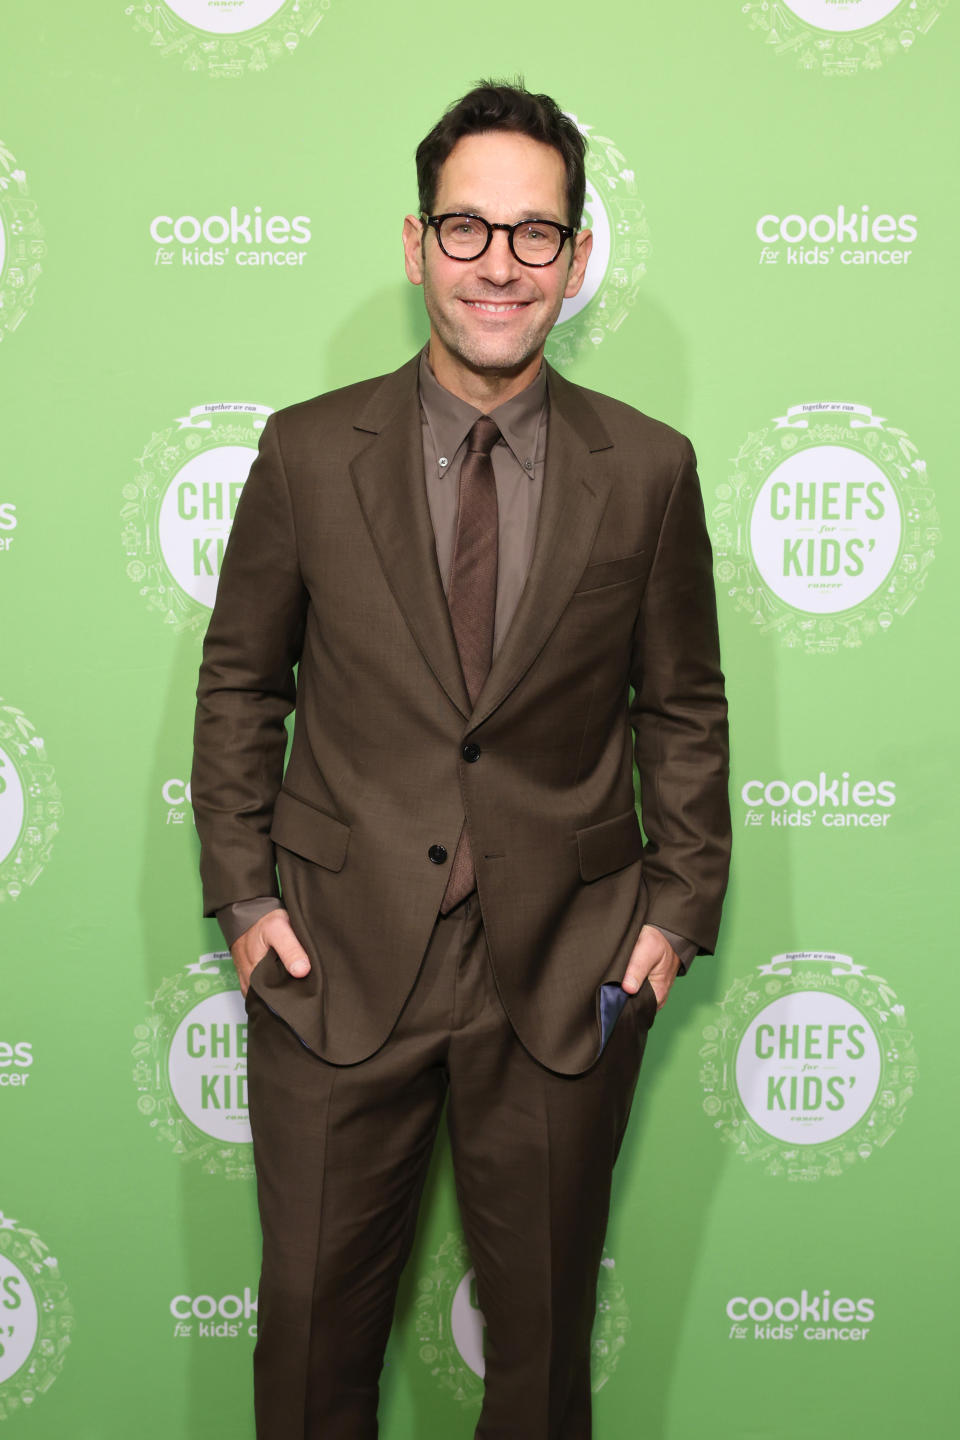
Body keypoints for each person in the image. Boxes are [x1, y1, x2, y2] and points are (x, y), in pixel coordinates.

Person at [192, 80, 730, 1440]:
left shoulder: (651, 469)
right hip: (334, 957)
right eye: (468, 227)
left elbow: (682, 703)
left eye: (534, 233)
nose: (500, 261)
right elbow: (245, 680)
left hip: (563, 965)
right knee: (312, 1346)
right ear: (417, 244)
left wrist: (674, 912)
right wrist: (247, 903)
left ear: (580, 254)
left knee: (541, 1369)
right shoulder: (309, 453)